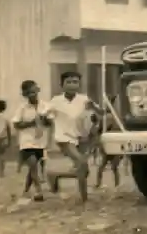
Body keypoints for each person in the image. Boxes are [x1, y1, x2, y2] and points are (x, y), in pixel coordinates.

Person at [47, 71, 103, 203]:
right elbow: (47, 117)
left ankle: (55, 175)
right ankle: (84, 199)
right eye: (69, 82)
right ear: (62, 84)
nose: (72, 85)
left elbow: (100, 113)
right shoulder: (56, 101)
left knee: (83, 170)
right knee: (81, 162)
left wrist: (94, 108)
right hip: (63, 137)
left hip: (80, 136)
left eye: (75, 82)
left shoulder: (84, 99)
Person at [12, 80, 54, 201]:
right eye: (29, 93)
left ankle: (26, 190)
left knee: (34, 167)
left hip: (41, 141)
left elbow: (50, 123)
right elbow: (16, 124)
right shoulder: (22, 108)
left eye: (34, 91)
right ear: (25, 94)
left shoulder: (45, 106)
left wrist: (44, 119)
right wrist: (30, 123)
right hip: (27, 141)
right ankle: (39, 191)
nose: (33, 95)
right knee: (33, 164)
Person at [95, 96, 123, 189]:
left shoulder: (107, 118)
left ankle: (99, 183)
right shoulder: (116, 118)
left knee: (103, 167)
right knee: (113, 167)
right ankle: (116, 185)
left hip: (109, 144)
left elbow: (98, 131)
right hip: (113, 144)